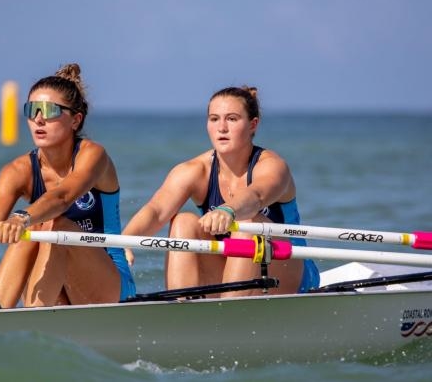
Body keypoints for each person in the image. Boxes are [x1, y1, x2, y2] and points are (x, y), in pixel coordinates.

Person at [0, 63, 136, 307]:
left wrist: (20, 218)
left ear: (76, 120)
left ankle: (32, 315)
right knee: (32, 229)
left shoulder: (94, 156)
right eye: (32, 110)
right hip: (59, 285)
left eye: (50, 110)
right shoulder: (17, 171)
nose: (39, 119)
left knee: (52, 223)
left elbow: (63, 197)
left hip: (111, 285)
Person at [122, 86, 319, 296]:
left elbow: (256, 196)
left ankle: (228, 316)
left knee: (247, 225)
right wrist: (125, 241)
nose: (221, 128)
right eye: (214, 119)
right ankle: (182, 311)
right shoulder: (195, 170)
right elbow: (157, 210)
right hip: (232, 271)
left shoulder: (272, 166)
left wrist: (228, 211)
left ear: (253, 124)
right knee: (182, 222)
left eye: (232, 119)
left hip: (289, 272)